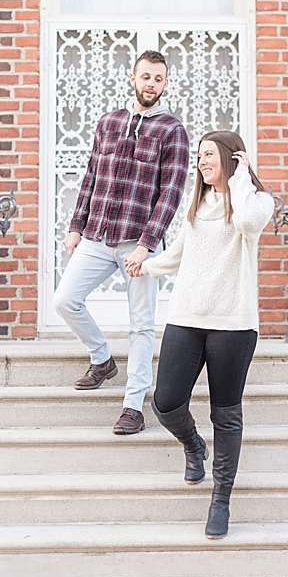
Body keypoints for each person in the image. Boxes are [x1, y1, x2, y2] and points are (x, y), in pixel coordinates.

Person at [129, 130, 274, 539]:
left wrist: (241, 177)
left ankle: (221, 498)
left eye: (209, 154)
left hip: (233, 323)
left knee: (225, 414)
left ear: (231, 157)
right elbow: (179, 253)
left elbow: (245, 222)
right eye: (199, 156)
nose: (201, 161)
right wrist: (147, 265)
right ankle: (194, 446)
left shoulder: (256, 202)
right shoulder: (197, 205)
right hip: (187, 317)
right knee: (166, 400)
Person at [54, 49, 189, 435]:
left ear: (165, 84)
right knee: (64, 300)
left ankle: (133, 406)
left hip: (140, 244)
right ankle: (102, 359)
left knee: (142, 326)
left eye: (158, 78)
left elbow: (171, 194)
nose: (151, 84)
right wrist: (75, 226)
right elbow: (91, 176)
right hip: (98, 234)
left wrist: (147, 245)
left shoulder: (172, 130)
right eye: (145, 76)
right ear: (133, 78)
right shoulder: (108, 122)